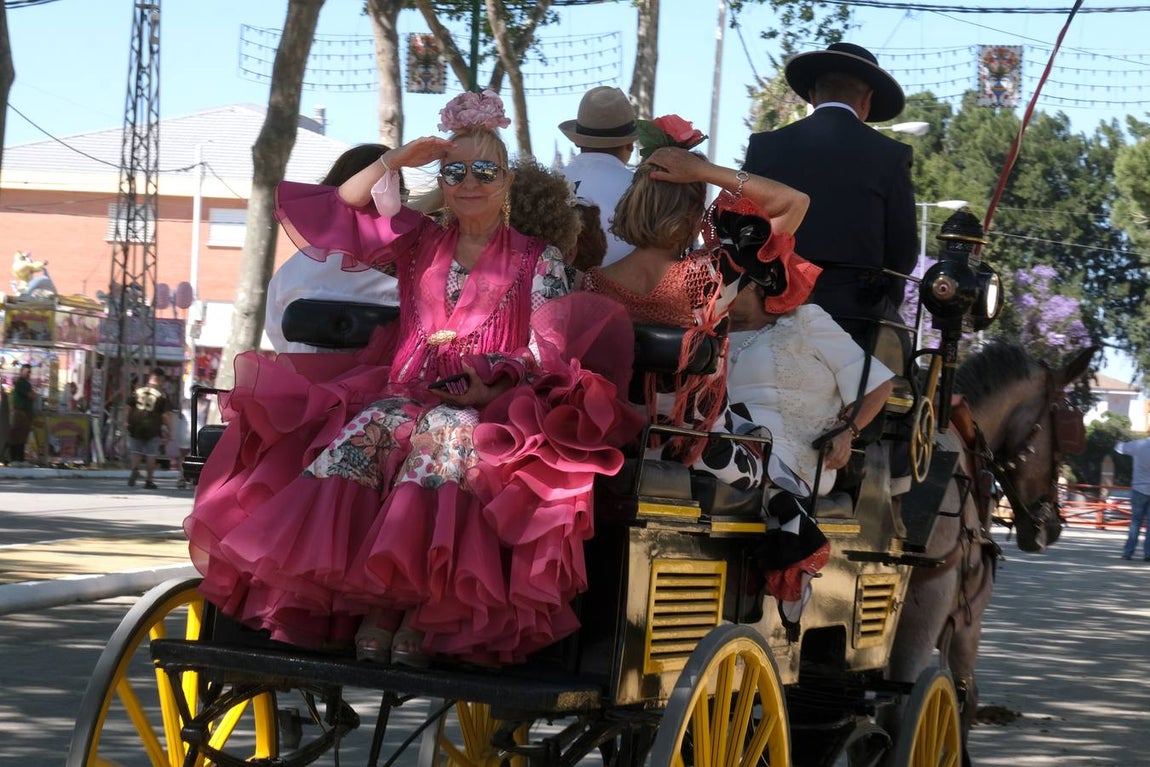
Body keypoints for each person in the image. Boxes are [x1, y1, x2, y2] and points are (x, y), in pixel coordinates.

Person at [184, 89, 641, 667]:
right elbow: (341, 206)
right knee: (368, 431)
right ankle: (375, 604)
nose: (470, 182)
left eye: (485, 170)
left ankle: (408, 615)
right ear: (443, 180)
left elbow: (544, 350)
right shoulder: (417, 240)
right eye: (456, 170)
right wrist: (396, 160)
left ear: (505, 183)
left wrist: (494, 382)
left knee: (444, 436)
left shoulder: (537, 258)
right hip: (402, 393)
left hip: (494, 403)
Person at [582, 118, 809, 488]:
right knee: (785, 477)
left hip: (613, 448)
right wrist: (703, 170)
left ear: (634, 201)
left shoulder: (590, 281)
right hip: (699, 454)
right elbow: (795, 202)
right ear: (693, 215)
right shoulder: (713, 277)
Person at [719, 196, 894, 622]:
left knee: (731, 439)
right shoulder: (714, 329)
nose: (718, 290)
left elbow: (879, 382)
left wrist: (848, 431)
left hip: (798, 456)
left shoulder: (807, 322)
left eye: (729, 283)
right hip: (731, 442)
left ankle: (788, 518)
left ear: (759, 286)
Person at [741, 42, 917, 354]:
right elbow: (902, 253)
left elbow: (742, 230)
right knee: (902, 382)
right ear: (866, 100)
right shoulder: (892, 156)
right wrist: (883, 302)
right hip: (855, 320)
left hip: (771, 309)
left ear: (812, 95)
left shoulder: (764, 147)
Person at [264, 143, 408, 354]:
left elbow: (278, 336)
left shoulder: (292, 270)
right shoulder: (412, 271)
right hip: (383, 384)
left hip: (304, 382)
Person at [557, 86, 638, 267]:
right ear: (631, 144)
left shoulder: (548, 183)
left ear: (577, 140)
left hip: (551, 290)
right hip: (619, 293)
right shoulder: (641, 188)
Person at [126, 368, 172, 489]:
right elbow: (165, 415)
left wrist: (126, 422)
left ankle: (135, 469)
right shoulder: (162, 394)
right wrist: (169, 430)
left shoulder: (138, 390)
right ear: (160, 379)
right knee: (151, 454)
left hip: (135, 425)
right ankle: (149, 480)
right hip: (152, 427)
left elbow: (128, 407)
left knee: (136, 452)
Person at [1115, 437, 1150, 561]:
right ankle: (1148, 554)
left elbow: (1119, 448)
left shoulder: (1138, 445)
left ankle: (1128, 552)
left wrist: (1119, 440)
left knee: (1135, 522)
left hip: (1139, 488)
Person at [7, 364, 36, 465]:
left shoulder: (25, 383)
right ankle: (14, 458)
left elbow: (32, 395)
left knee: (22, 436)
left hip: (24, 413)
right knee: (16, 435)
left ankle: (20, 458)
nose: (29, 373)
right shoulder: (20, 383)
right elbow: (30, 395)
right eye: (27, 371)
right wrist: (32, 395)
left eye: (29, 372)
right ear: (22, 371)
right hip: (19, 413)